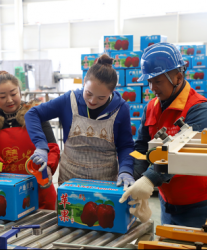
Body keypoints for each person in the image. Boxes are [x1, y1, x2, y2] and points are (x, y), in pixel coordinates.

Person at [120, 43, 207, 227]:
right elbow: (142, 148)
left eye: (157, 81)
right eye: (149, 81)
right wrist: (133, 177)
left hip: (200, 204)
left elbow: (186, 152)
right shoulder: (151, 107)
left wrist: (149, 179)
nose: (152, 88)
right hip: (168, 201)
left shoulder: (199, 108)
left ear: (178, 77)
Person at [24, 54, 135, 189]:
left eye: (101, 97)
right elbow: (32, 114)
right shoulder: (68, 101)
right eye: (88, 93)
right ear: (84, 83)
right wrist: (41, 145)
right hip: (69, 181)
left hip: (105, 183)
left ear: (112, 92)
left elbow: (126, 146)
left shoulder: (120, 109)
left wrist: (126, 169)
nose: (93, 101)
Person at [0, 71, 60, 210]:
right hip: (10, 190)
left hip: (40, 186)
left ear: (20, 92)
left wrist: (48, 166)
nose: (9, 100)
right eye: (2, 96)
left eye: (13, 94)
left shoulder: (36, 114)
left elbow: (52, 147)